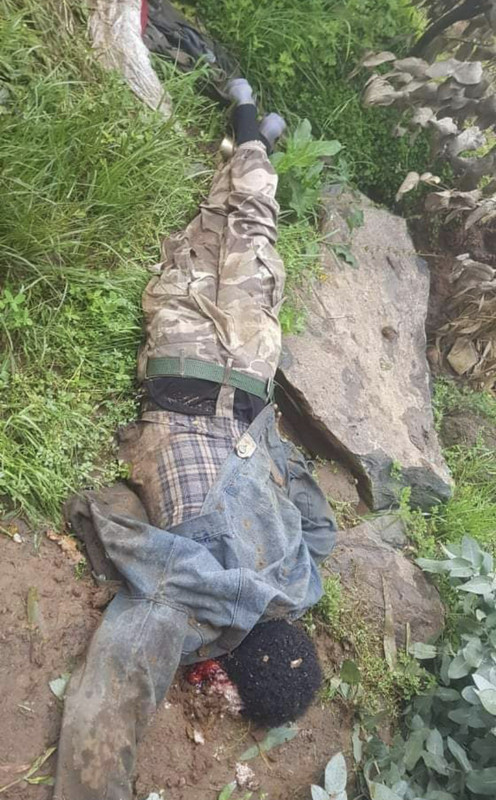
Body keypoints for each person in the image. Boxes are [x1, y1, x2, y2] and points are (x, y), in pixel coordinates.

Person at [53, 78, 337, 800]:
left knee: (239, 237)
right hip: (182, 366)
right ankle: (250, 130)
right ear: (242, 669)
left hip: (250, 381)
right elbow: (115, 694)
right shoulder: (192, 606)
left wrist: (270, 451)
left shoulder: (301, 579)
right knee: (207, 248)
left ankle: (251, 140)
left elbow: (320, 525)